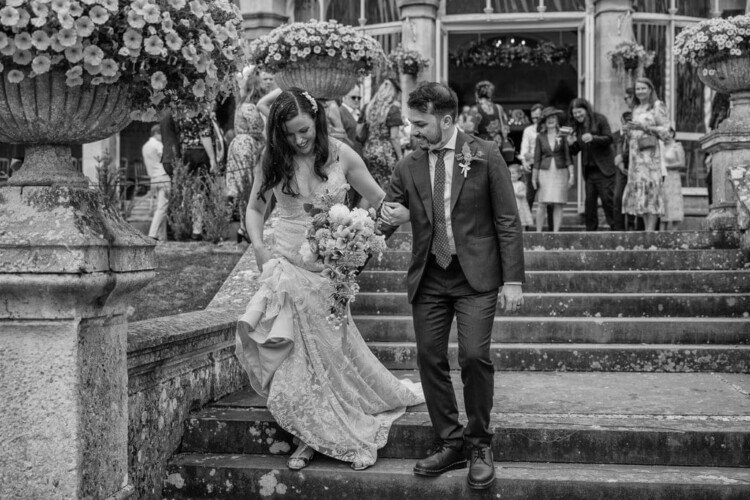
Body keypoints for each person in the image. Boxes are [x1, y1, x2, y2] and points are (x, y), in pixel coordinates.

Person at [235, 87, 424, 472]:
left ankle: (326, 427)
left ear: (317, 121)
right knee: (293, 353)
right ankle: (308, 436)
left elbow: (377, 199)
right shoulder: (273, 158)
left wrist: (358, 234)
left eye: (303, 130)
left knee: (328, 350)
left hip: (329, 269)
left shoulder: (341, 155)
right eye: (288, 134)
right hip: (285, 265)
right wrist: (257, 245)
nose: (298, 140)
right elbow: (255, 210)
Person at [380, 82, 525, 491]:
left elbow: (507, 219)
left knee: (476, 357)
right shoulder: (407, 165)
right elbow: (387, 217)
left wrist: (512, 279)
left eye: (421, 124)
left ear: (447, 120)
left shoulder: (484, 154)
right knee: (429, 358)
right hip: (429, 274)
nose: (414, 131)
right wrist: (347, 249)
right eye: (412, 123)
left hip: (476, 275)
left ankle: (480, 444)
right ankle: (450, 441)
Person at [621, 77, 670, 232]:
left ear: (650, 89)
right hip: (636, 157)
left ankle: (650, 231)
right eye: (638, 89)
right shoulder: (635, 108)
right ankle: (647, 231)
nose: (640, 91)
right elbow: (635, 132)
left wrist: (644, 127)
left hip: (650, 156)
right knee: (640, 193)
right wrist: (628, 131)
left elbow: (666, 132)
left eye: (643, 88)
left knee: (651, 191)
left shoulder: (657, 105)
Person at [567, 98, 621, 231]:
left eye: (579, 112)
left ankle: (616, 231)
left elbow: (609, 139)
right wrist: (571, 143)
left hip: (605, 169)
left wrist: (593, 138)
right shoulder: (577, 127)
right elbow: (575, 150)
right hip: (589, 171)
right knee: (589, 205)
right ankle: (590, 233)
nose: (578, 116)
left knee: (608, 202)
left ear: (586, 109)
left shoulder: (600, 119)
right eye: (575, 113)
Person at [227, 71, 266, 243]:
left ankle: (244, 227)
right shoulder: (250, 107)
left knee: (244, 188)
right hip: (246, 147)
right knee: (248, 187)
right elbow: (257, 129)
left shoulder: (240, 106)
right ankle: (246, 228)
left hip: (239, 145)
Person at [532, 107, 574, 232]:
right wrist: (534, 177)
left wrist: (572, 175)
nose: (551, 120)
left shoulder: (563, 134)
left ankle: (556, 233)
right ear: (544, 122)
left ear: (557, 120)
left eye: (553, 118)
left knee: (559, 203)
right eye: (548, 118)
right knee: (541, 203)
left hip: (561, 172)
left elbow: (568, 156)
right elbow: (537, 158)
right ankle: (538, 233)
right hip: (544, 172)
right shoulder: (540, 137)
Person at [359, 78, 404, 190]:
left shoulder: (368, 107)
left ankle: (361, 208)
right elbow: (394, 138)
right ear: (394, 92)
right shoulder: (393, 109)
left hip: (368, 150)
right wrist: (400, 157)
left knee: (371, 188)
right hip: (385, 154)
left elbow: (358, 129)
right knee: (388, 188)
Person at [518, 103, 553, 230]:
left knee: (549, 199)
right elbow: (523, 152)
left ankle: (551, 229)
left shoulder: (551, 129)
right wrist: (524, 162)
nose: (536, 120)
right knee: (529, 198)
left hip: (548, 167)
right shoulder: (528, 130)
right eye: (533, 118)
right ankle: (524, 228)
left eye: (538, 117)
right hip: (532, 166)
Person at [142, 125, 169, 241]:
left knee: (161, 207)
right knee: (162, 208)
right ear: (157, 133)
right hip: (163, 176)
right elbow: (165, 157)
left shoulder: (145, 146)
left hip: (153, 178)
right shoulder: (158, 144)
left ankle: (162, 237)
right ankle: (152, 234)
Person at [470, 80, 509, 148]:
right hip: (497, 146)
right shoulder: (499, 108)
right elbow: (506, 129)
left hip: (481, 148)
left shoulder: (475, 110)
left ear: (477, 94)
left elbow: (469, 131)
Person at [660, 127, 685, 230]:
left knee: (673, 203)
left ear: (671, 133)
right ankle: (661, 236)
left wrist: (666, 167)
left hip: (673, 177)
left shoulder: (677, 146)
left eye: (666, 133)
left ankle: (674, 233)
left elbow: (682, 163)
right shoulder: (662, 146)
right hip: (663, 178)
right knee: (664, 204)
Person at [613, 110, 632, 231]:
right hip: (621, 172)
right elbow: (616, 150)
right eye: (625, 122)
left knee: (632, 199)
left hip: (634, 170)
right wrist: (620, 165)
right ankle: (618, 230)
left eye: (630, 121)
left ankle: (631, 226)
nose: (627, 124)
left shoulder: (636, 135)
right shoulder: (618, 136)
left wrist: (622, 158)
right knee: (617, 198)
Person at [510, 163, 534, 229]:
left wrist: (514, 193)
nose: (511, 175)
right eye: (509, 173)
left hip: (520, 205)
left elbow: (523, 195)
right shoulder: (508, 184)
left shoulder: (521, 184)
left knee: (521, 221)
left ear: (519, 175)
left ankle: (523, 233)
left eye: (513, 173)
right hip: (511, 205)